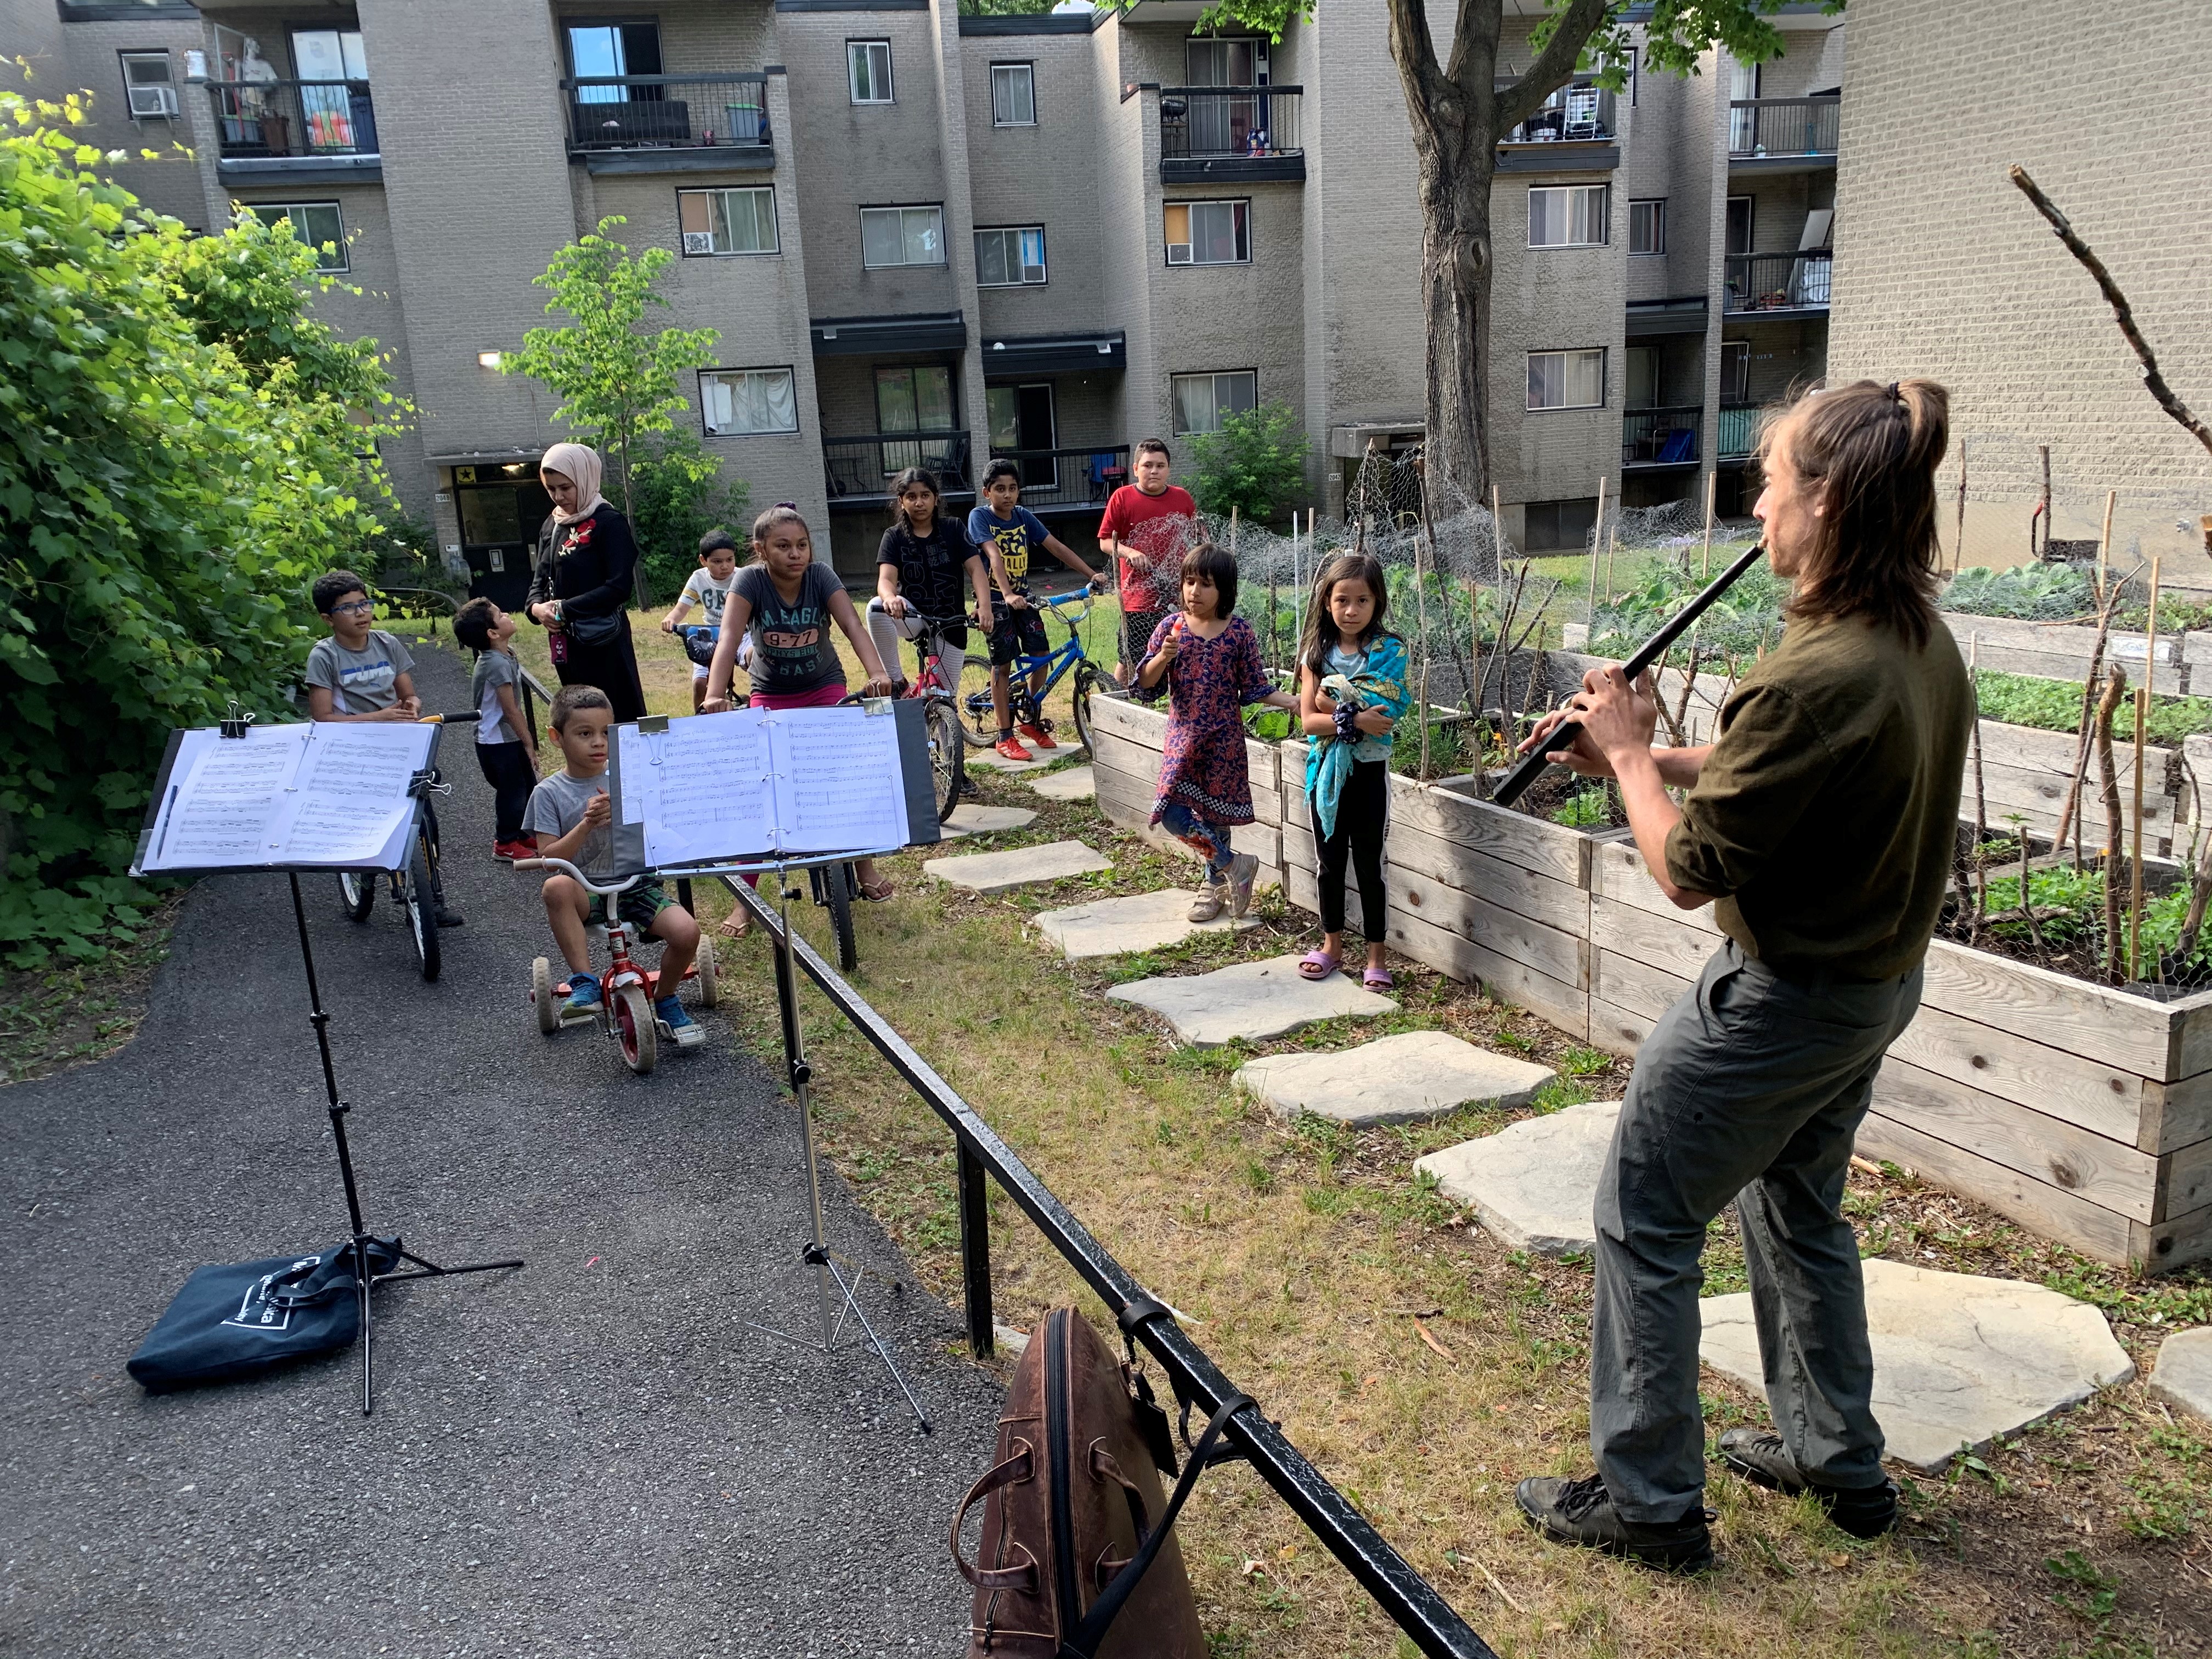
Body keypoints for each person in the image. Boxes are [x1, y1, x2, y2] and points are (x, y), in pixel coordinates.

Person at [1511, 380, 1970, 1573]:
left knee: (1645, 1215)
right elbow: (1781, 758)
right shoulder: (1911, 641)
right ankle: (1838, 1460)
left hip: (1779, 1006)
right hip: (1871, 992)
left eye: (1769, 485)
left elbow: (1687, 870)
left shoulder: (1812, 673)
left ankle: (1650, 1504)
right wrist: (1648, 751)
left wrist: (1627, 760)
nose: (1756, 507)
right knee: (1797, 1207)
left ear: (1825, 502)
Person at [701, 504, 899, 900]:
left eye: (802, 545)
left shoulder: (820, 575)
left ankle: (864, 865)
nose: (795, 554)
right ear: (761, 550)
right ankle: (748, 899)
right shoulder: (750, 582)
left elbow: (852, 625)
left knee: (845, 776)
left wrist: (878, 673)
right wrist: (714, 694)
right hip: (771, 691)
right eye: (783, 546)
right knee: (763, 789)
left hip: (823, 684)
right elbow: (729, 637)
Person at [525, 684, 704, 1045]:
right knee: (555, 887)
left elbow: (663, 825)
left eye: (607, 733)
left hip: (636, 883)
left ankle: (666, 997)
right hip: (585, 888)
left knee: (687, 933)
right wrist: (587, 824)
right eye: (584, 734)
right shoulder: (549, 793)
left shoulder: (631, 777)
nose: (598, 743)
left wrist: (630, 809)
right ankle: (585, 982)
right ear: (556, 738)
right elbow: (549, 858)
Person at [1133, 543, 1296, 921]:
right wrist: (1163, 657)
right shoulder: (1170, 628)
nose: (1195, 591)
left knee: (1216, 817)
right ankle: (1234, 865)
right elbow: (1145, 684)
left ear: (1225, 590)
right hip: (1183, 738)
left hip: (1224, 743)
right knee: (1172, 814)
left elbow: (1255, 687)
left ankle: (1214, 886)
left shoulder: (1239, 633)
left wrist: (1294, 702)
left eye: (1206, 584)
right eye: (1190, 582)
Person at [304, 570, 461, 927]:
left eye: (365, 603)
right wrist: (380, 717)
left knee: (425, 814)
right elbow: (323, 718)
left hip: (398, 742)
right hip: (353, 749)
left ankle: (431, 896)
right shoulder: (324, 656)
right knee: (370, 814)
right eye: (348, 608)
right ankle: (365, 864)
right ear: (328, 619)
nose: (361, 613)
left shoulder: (387, 643)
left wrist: (412, 707)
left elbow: (409, 694)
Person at [1294, 552, 1408, 989]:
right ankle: (1332, 946)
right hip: (1325, 774)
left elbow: (1388, 710)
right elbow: (1310, 721)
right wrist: (1355, 718)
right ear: (1327, 602)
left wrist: (1334, 701)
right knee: (1329, 863)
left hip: (1369, 774)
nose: (1351, 610)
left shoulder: (1389, 651)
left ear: (1377, 602)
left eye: (1363, 600)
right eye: (1342, 600)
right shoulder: (1315, 653)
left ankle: (1377, 956)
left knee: (1369, 864)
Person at [967, 458, 1107, 762]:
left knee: (1041, 654)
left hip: (1024, 598)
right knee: (1003, 664)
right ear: (987, 492)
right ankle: (1005, 736)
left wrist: (1091, 574)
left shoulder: (1023, 516)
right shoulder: (980, 517)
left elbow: (1056, 547)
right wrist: (1006, 594)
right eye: (1000, 489)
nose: (1007, 494)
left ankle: (1029, 719)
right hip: (995, 599)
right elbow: (993, 555)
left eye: (1013, 488)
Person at [526, 441, 647, 724]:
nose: (558, 497)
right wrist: (537, 609)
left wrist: (564, 609)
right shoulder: (553, 524)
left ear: (584, 479)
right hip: (567, 645)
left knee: (616, 718)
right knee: (579, 719)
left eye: (565, 488)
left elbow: (619, 588)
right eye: (551, 489)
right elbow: (539, 581)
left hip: (605, 641)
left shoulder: (609, 523)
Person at [868, 467, 994, 699]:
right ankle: (897, 682)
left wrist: (985, 606)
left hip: (951, 621)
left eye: (925, 495)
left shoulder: (954, 528)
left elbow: (976, 569)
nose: (919, 502)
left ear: (936, 499)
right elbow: (886, 579)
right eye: (911, 497)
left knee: (945, 701)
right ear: (901, 502)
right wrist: (890, 598)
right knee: (875, 608)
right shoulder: (893, 537)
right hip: (913, 617)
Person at [1096, 438, 1198, 687]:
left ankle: (1169, 699)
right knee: (1131, 655)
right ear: (1135, 469)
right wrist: (1130, 552)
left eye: (1160, 466)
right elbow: (1105, 542)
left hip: (1177, 593)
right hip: (1138, 597)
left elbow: (1198, 537)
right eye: (1147, 465)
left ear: (1168, 469)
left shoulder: (1182, 498)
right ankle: (1119, 698)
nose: (1154, 471)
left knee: (1177, 651)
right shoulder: (1122, 498)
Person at [455, 597, 541, 862]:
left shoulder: (505, 655)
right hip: (496, 742)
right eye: (500, 615)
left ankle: (522, 834)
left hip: (507, 737)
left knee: (527, 786)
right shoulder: (495, 664)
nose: (506, 614)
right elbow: (511, 710)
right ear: (493, 633)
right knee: (512, 792)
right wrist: (529, 742)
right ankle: (505, 842)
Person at [661, 529, 742, 713]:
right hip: (710, 635)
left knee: (753, 660)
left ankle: (763, 704)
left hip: (741, 633)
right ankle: (699, 719)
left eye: (730, 560)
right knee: (700, 684)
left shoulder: (743, 577)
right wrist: (671, 619)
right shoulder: (699, 578)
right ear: (703, 560)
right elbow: (681, 608)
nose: (725, 566)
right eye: (717, 562)